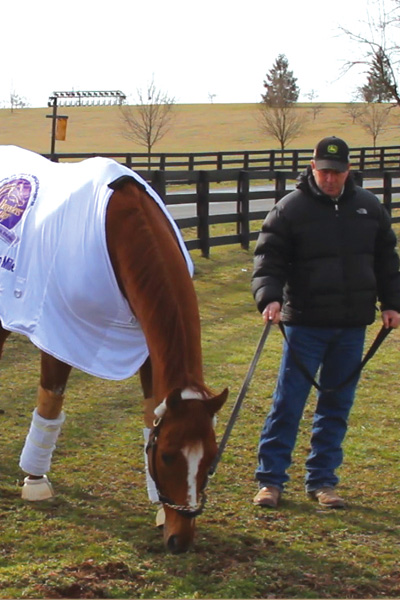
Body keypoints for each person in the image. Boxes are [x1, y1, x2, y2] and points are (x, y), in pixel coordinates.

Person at [251, 136, 400, 509]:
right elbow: (269, 258)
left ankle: (322, 481)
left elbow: (386, 260)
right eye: (324, 171)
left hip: (352, 326)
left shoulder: (369, 208)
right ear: (313, 169)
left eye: (337, 172)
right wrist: (269, 298)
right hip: (304, 324)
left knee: (336, 405)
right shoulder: (290, 209)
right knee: (289, 402)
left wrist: (392, 303)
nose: (330, 179)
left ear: (348, 171)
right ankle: (271, 480)